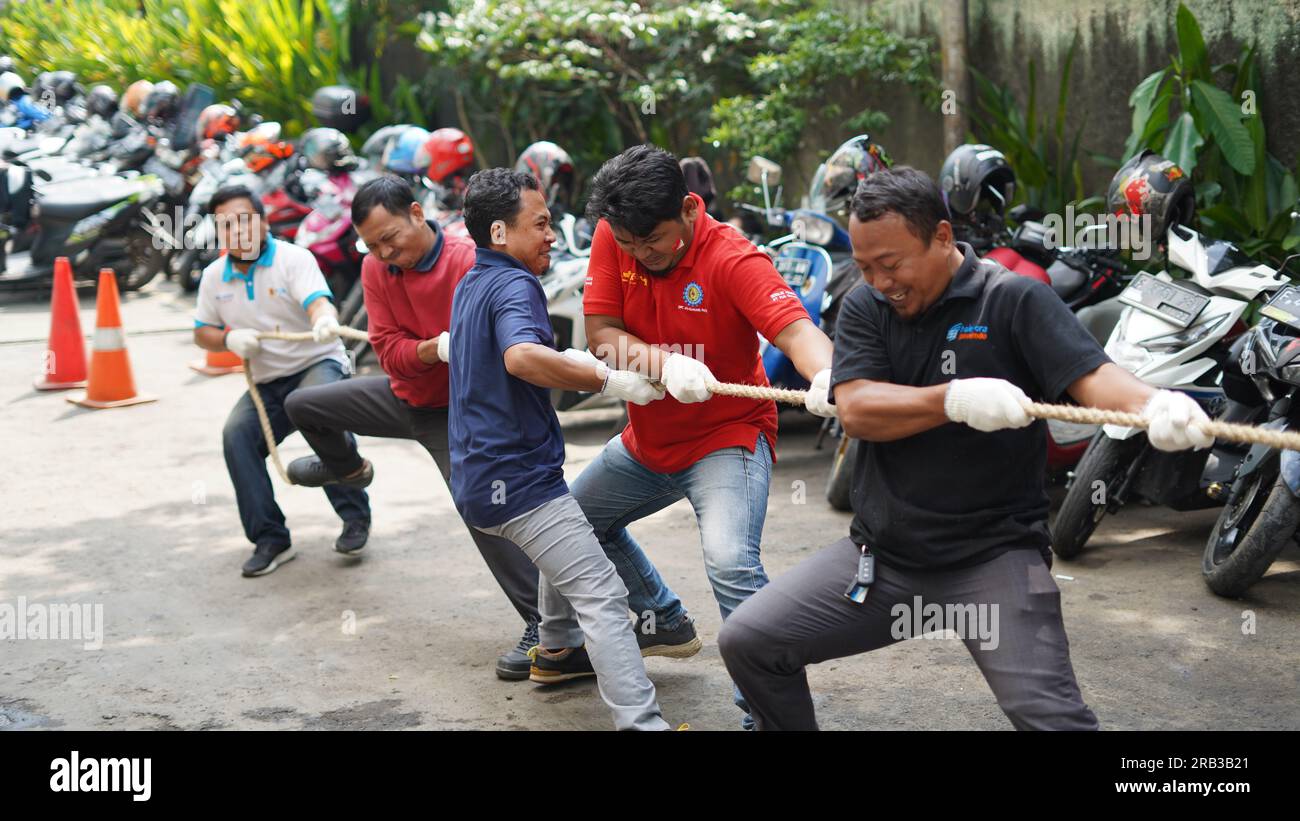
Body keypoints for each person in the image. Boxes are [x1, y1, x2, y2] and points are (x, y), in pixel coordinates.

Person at [717, 167, 1213, 730]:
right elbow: (857, 409)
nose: (881, 280)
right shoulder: (865, 306)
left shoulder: (1014, 299)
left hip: (994, 557)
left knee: (1049, 718)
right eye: (866, 265)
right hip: (884, 561)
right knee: (749, 642)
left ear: (944, 238)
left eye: (893, 263)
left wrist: (1155, 407)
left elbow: (1094, 378)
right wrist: (951, 399)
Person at [572, 144, 836, 727]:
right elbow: (601, 332)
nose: (641, 255)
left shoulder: (734, 259)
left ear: (690, 208)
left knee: (730, 561)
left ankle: (771, 712)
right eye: (630, 245)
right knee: (572, 523)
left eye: (654, 241)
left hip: (727, 437)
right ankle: (661, 617)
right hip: (648, 441)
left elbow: (796, 332)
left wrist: (830, 376)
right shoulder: (615, 236)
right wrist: (663, 365)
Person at [282, 176, 543, 680]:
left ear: (418, 214)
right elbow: (389, 355)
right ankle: (350, 469)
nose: (384, 252)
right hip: (406, 397)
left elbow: (504, 349)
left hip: (462, 413)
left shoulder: (469, 259)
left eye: (390, 238)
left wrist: (429, 351)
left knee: (480, 509)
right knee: (304, 406)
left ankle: (544, 626)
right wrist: (433, 348)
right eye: (373, 245)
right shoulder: (376, 268)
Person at [448, 167, 671, 730]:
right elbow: (521, 357)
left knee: (570, 529)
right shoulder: (515, 284)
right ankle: (642, 724)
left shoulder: (472, 281)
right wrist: (607, 379)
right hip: (519, 483)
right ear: (500, 233)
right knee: (603, 597)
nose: (552, 234)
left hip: (480, 482)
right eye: (541, 223)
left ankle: (554, 649)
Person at [193, 184, 370, 577]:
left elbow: (317, 302)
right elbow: (201, 330)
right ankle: (270, 538)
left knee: (310, 407)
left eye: (243, 220)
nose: (236, 231)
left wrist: (323, 320)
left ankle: (355, 517)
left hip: (316, 363)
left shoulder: (293, 259)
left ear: (263, 221)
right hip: (268, 379)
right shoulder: (213, 277)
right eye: (226, 225)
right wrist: (227, 339)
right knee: (236, 436)